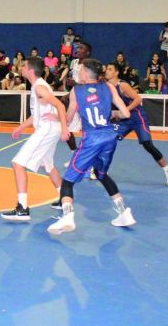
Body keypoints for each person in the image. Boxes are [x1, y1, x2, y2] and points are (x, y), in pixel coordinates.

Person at [47, 59, 135, 235]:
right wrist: (111, 113)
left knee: (68, 180)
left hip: (92, 139)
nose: (78, 73)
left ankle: (67, 216)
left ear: (87, 74)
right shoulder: (109, 87)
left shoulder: (76, 91)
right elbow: (125, 113)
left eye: (80, 71)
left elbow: (70, 118)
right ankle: (124, 212)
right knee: (101, 174)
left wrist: (56, 118)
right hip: (110, 137)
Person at [1, 57, 69, 221]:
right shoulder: (39, 86)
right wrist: (21, 127)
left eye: (24, 66)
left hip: (47, 129)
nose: (21, 68)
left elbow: (60, 105)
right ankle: (63, 199)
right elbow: (37, 113)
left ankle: (22, 208)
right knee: (48, 165)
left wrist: (65, 127)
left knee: (18, 163)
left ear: (30, 70)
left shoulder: (39, 87)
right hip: (49, 129)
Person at [105, 62, 168, 188]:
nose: (107, 71)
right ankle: (101, 169)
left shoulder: (123, 85)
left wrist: (125, 111)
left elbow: (138, 99)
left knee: (147, 144)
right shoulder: (106, 87)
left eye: (110, 69)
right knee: (109, 141)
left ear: (116, 72)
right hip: (123, 120)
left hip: (137, 117)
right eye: (106, 69)